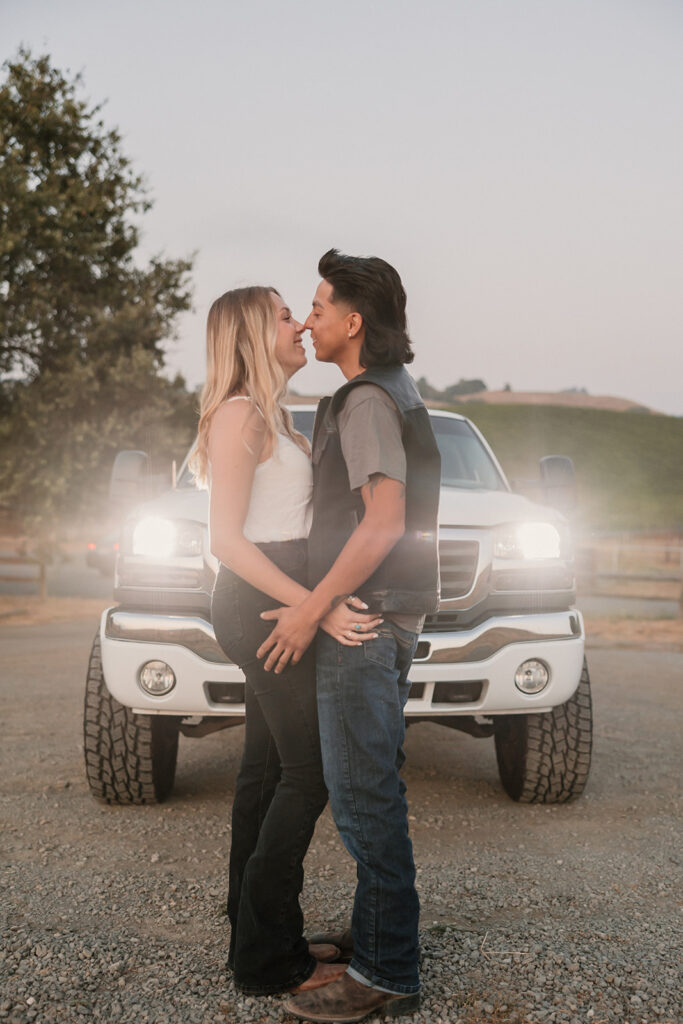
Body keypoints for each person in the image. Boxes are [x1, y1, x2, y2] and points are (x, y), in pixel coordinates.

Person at [257, 250, 441, 1022]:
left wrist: (309, 608)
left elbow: (384, 521)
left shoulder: (367, 399)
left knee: (366, 802)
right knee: (370, 791)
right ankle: (377, 939)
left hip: (360, 622)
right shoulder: (388, 391)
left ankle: (387, 974)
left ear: (354, 322)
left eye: (319, 307)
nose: (308, 319)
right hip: (382, 616)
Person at [191, 286, 381, 997]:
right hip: (262, 608)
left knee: (264, 774)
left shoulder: (271, 417)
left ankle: (253, 932)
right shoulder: (240, 415)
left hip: (272, 603)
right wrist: (315, 609)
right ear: (247, 333)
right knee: (310, 775)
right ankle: (268, 960)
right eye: (280, 315)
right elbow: (226, 542)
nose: (299, 323)